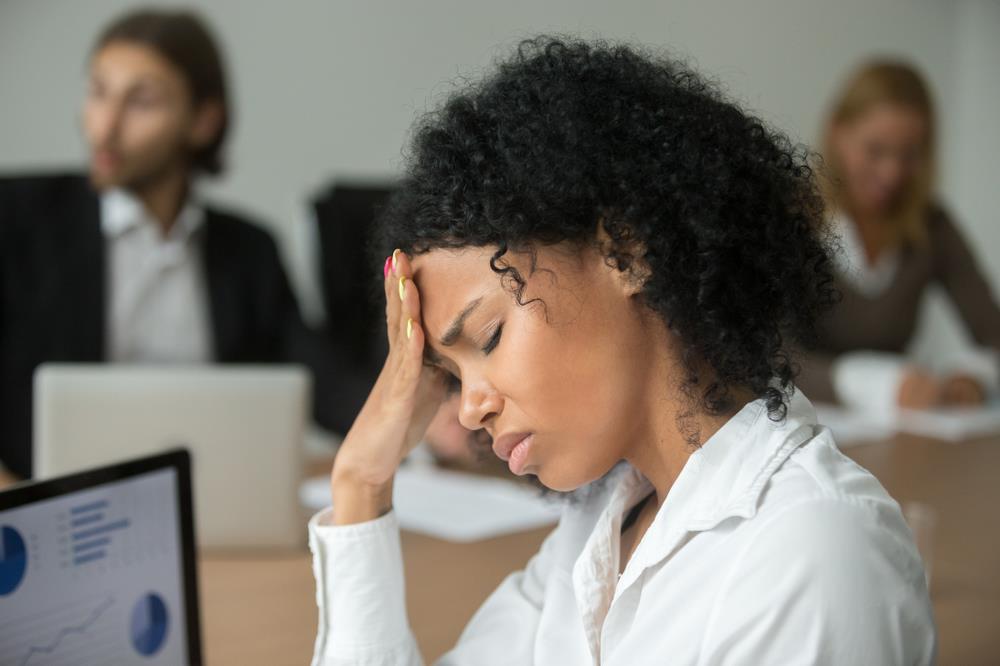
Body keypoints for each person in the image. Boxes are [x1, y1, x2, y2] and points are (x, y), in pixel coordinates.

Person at [307, 38, 935, 664]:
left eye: (489, 338)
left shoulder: (811, 557)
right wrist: (362, 483)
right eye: (448, 374)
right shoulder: (599, 532)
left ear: (627, 253)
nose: (469, 409)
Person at [0, 9, 335, 478]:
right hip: (43, 510)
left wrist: (425, 412)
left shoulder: (249, 249)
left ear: (203, 121)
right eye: (98, 93)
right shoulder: (16, 219)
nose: (105, 126)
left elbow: (321, 380)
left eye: (141, 101)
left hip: (213, 496)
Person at [796, 60, 1000, 413]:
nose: (892, 173)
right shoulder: (792, 216)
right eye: (875, 151)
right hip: (800, 429)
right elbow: (767, 356)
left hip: (898, 434)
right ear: (837, 133)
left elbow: (992, 333)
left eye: (909, 155)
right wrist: (879, 383)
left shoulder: (931, 225)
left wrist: (973, 377)